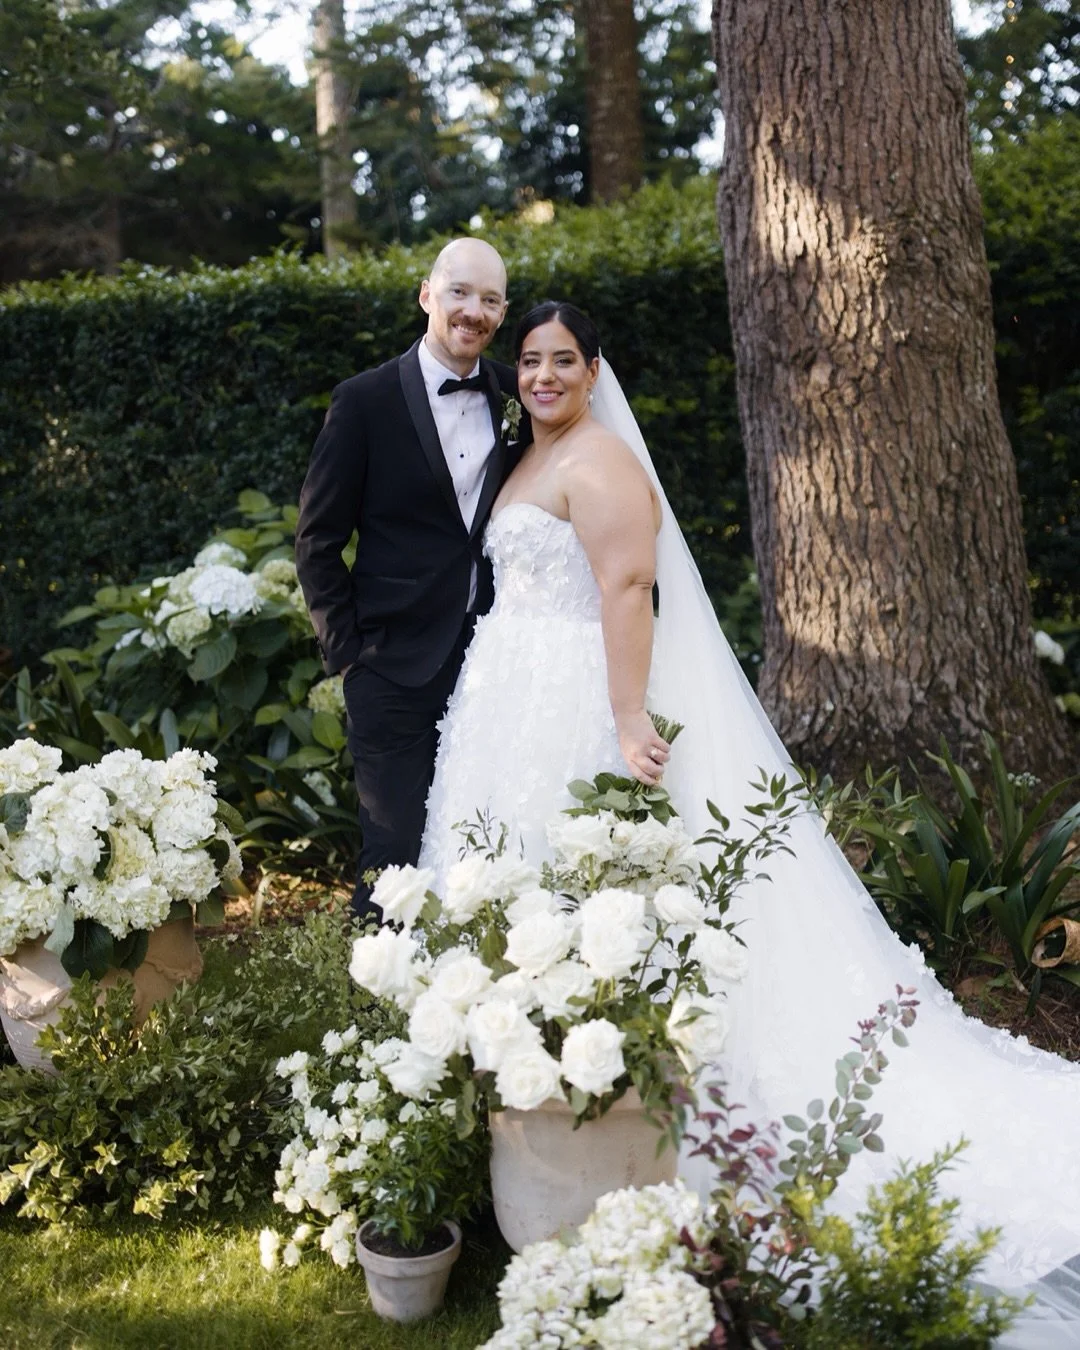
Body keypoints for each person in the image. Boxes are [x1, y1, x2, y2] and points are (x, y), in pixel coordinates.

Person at [420, 300, 1080, 1346]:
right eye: (530, 360)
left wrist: (628, 717)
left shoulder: (600, 464)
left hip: (575, 710)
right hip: (508, 712)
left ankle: (610, 1128)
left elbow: (629, 587)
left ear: (595, 371)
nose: (543, 375)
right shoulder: (527, 456)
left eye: (563, 360)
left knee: (589, 907)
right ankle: (531, 1124)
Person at [295, 238, 524, 922]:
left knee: (484, 837)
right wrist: (349, 656)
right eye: (460, 292)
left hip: (494, 660)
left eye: (489, 299)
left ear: (502, 313)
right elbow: (317, 540)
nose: (472, 310)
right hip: (390, 666)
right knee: (392, 851)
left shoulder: (519, 394)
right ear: (427, 295)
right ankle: (372, 1018)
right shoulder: (363, 402)